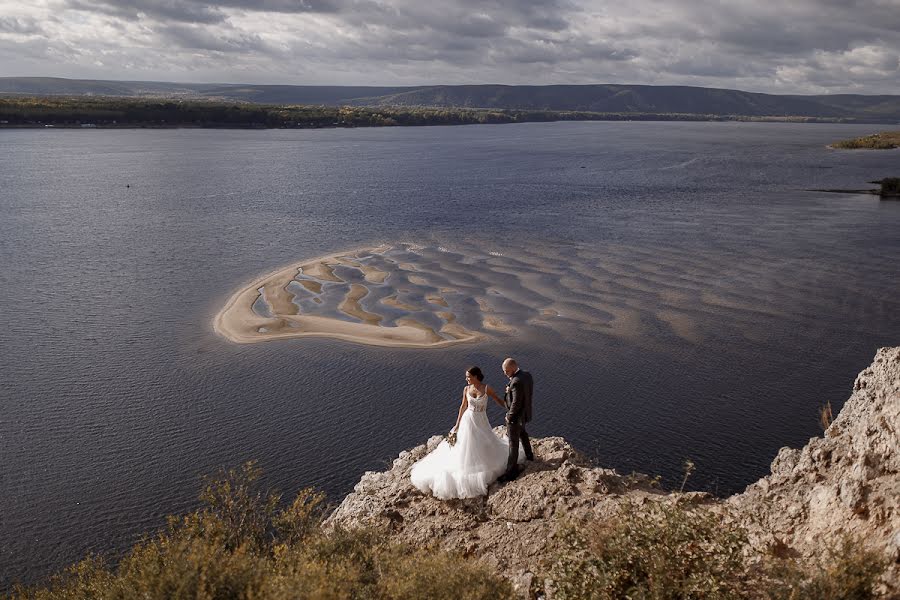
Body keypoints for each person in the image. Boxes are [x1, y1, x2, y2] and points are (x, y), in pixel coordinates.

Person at [410, 366, 525, 499]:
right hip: (467, 421)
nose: (466, 379)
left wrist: (510, 409)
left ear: (476, 376)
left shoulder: (486, 388)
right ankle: (467, 469)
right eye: (466, 377)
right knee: (466, 446)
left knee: (484, 443)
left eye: (468, 377)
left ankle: (483, 464)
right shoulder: (466, 389)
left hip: (481, 421)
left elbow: (498, 400)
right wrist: (457, 424)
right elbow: (463, 406)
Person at [499, 357, 534, 482]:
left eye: (506, 371)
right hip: (524, 414)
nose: (505, 373)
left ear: (513, 368)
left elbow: (516, 403)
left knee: (513, 444)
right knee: (523, 433)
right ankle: (529, 455)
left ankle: (510, 472)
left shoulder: (516, 381)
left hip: (516, 417)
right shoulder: (527, 375)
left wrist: (509, 416)